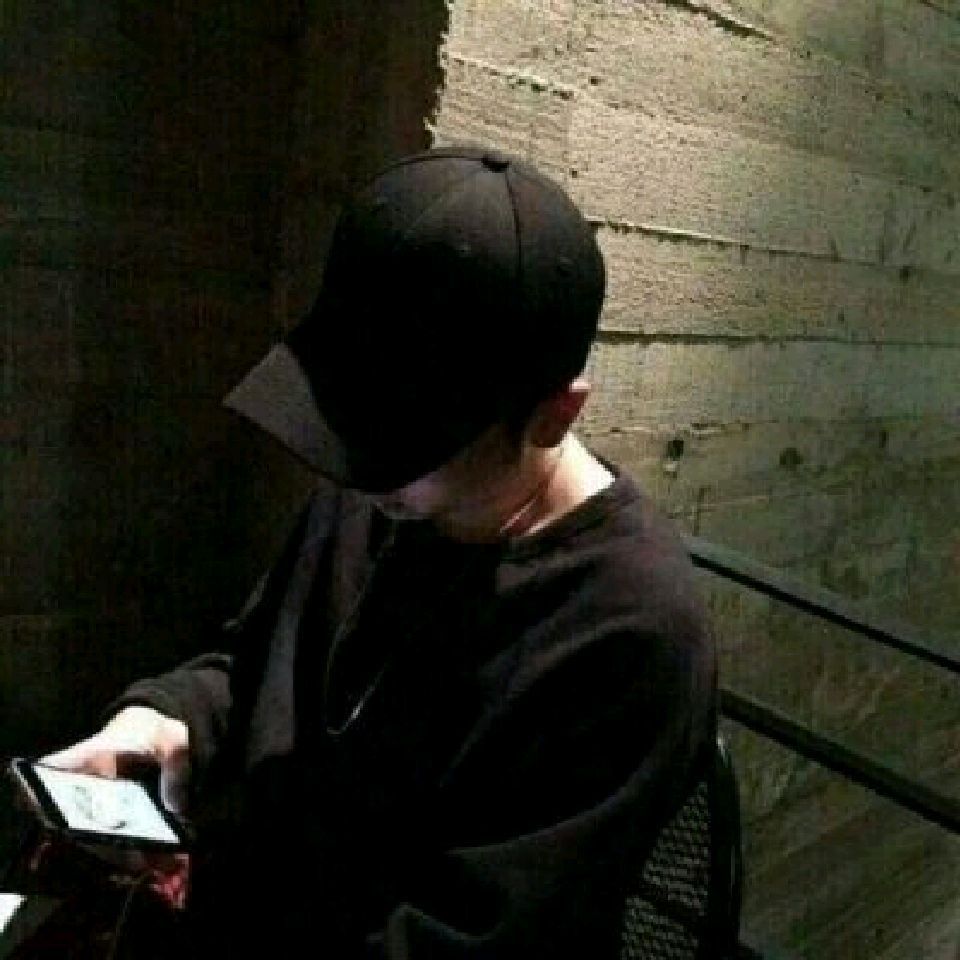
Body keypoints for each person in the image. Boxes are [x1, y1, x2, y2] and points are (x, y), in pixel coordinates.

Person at [43, 145, 718, 957]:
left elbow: (472, 938)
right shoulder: (383, 488)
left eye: (401, 442)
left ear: (554, 415)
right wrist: (163, 722)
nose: (353, 468)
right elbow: (254, 670)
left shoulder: (630, 635)